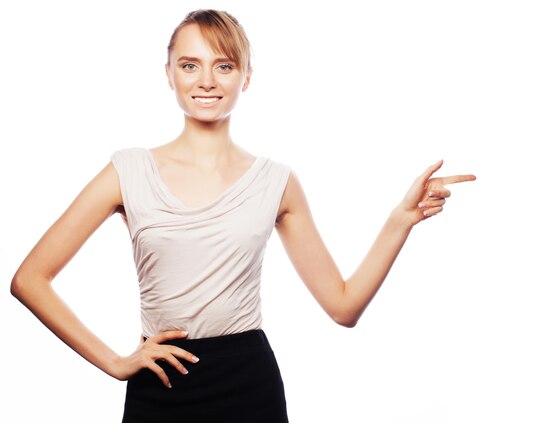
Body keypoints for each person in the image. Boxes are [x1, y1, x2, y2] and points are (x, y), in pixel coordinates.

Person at [9, 8, 476, 423]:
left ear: (246, 76)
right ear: (168, 74)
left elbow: (343, 306)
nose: (206, 80)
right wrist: (113, 362)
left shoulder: (276, 181)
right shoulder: (127, 171)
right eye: (189, 65)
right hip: (160, 384)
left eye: (224, 66)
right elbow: (29, 279)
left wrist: (399, 220)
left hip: (247, 382)